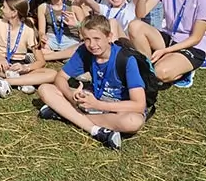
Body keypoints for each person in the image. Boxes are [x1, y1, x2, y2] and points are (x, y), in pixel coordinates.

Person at [37, 14, 147, 151]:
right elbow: (60, 77)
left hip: (119, 106)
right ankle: (95, 130)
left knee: (133, 122)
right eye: (87, 39)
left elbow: (139, 105)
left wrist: (98, 104)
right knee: (45, 89)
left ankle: (66, 114)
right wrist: (71, 97)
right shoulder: (85, 51)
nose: (92, 45)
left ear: (109, 37)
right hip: (93, 98)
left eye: (97, 39)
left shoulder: (126, 60)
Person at [0, 0, 56, 98]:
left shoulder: (28, 30)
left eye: (4, 7)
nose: (1, 9)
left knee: (52, 74)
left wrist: (26, 67)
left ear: (14, 13)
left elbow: (41, 61)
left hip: (18, 67)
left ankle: (7, 81)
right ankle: (20, 81)